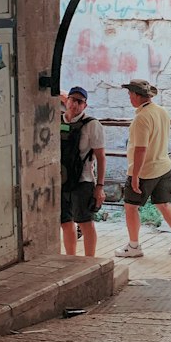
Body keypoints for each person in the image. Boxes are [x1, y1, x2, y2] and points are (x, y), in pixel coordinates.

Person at [116, 78, 171, 258]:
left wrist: (134, 176)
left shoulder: (141, 118)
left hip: (145, 170)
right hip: (163, 165)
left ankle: (133, 246)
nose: (129, 97)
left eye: (129, 94)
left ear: (135, 95)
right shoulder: (162, 112)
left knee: (130, 206)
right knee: (163, 203)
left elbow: (141, 149)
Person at [60, 86, 106, 257]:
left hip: (83, 180)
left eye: (80, 102)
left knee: (85, 222)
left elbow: (101, 157)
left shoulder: (92, 125)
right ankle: (71, 259)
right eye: (72, 100)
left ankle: (89, 260)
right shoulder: (57, 121)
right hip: (61, 180)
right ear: (66, 101)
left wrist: (100, 186)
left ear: (85, 106)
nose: (75, 104)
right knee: (65, 222)